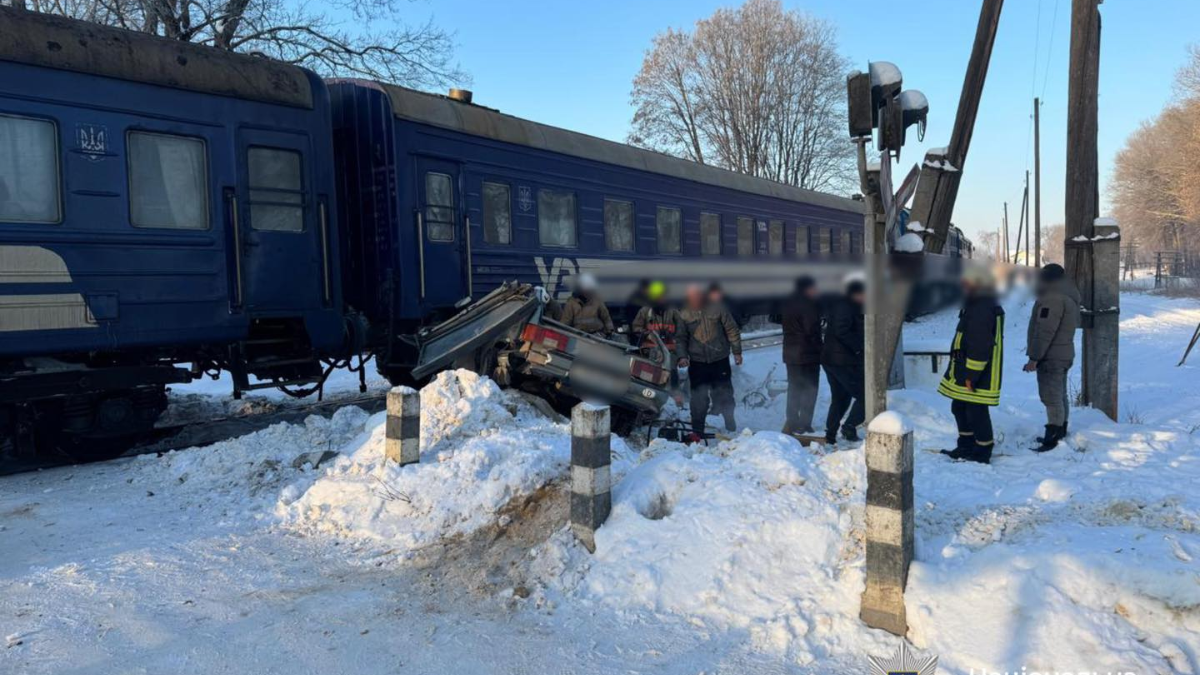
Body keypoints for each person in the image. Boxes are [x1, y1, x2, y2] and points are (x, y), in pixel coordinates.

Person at [938, 265, 1005, 464]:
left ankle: (982, 450)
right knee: (959, 406)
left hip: (976, 371)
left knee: (976, 410)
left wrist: (971, 375)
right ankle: (966, 445)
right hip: (965, 367)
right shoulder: (977, 302)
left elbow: (980, 344)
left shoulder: (981, 307)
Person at [1023, 263, 1081, 452]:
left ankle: (1053, 437)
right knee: (1060, 395)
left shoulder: (1053, 299)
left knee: (1051, 396)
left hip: (1051, 356)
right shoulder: (1067, 295)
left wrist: (1034, 358)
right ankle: (1060, 430)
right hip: (1063, 354)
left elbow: (1044, 331)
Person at [678, 283, 743, 441]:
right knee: (698, 398)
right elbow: (681, 338)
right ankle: (697, 430)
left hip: (719, 360)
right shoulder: (684, 313)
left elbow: (732, 329)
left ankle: (730, 423)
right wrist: (682, 356)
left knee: (724, 393)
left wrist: (737, 352)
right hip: (697, 362)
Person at [821, 277, 866, 445]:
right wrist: (859, 348)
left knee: (840, 398)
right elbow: (842, 331)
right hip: (841, 360)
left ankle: (830, 434)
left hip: (834, 359)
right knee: (865, 396)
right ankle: (849, 427)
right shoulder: (846, 306)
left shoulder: (844, 304)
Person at [781, 276, 823, 438]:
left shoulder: (788, 302)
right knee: (810, 390)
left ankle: (792, 422)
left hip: (791, 354)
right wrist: (821, 348)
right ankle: (805, 424)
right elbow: (811, 329)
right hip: (808, 354)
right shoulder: (808, 305)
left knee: (794, 389)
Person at [559, 273, 614, 337]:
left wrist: (610, 330)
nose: (589, 292)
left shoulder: (596, 300)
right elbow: (565, 321)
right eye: (587, 290)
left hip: (597, 335)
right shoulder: (571, 303)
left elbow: (606, 317)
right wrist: (561, 334)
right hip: (579, 336)